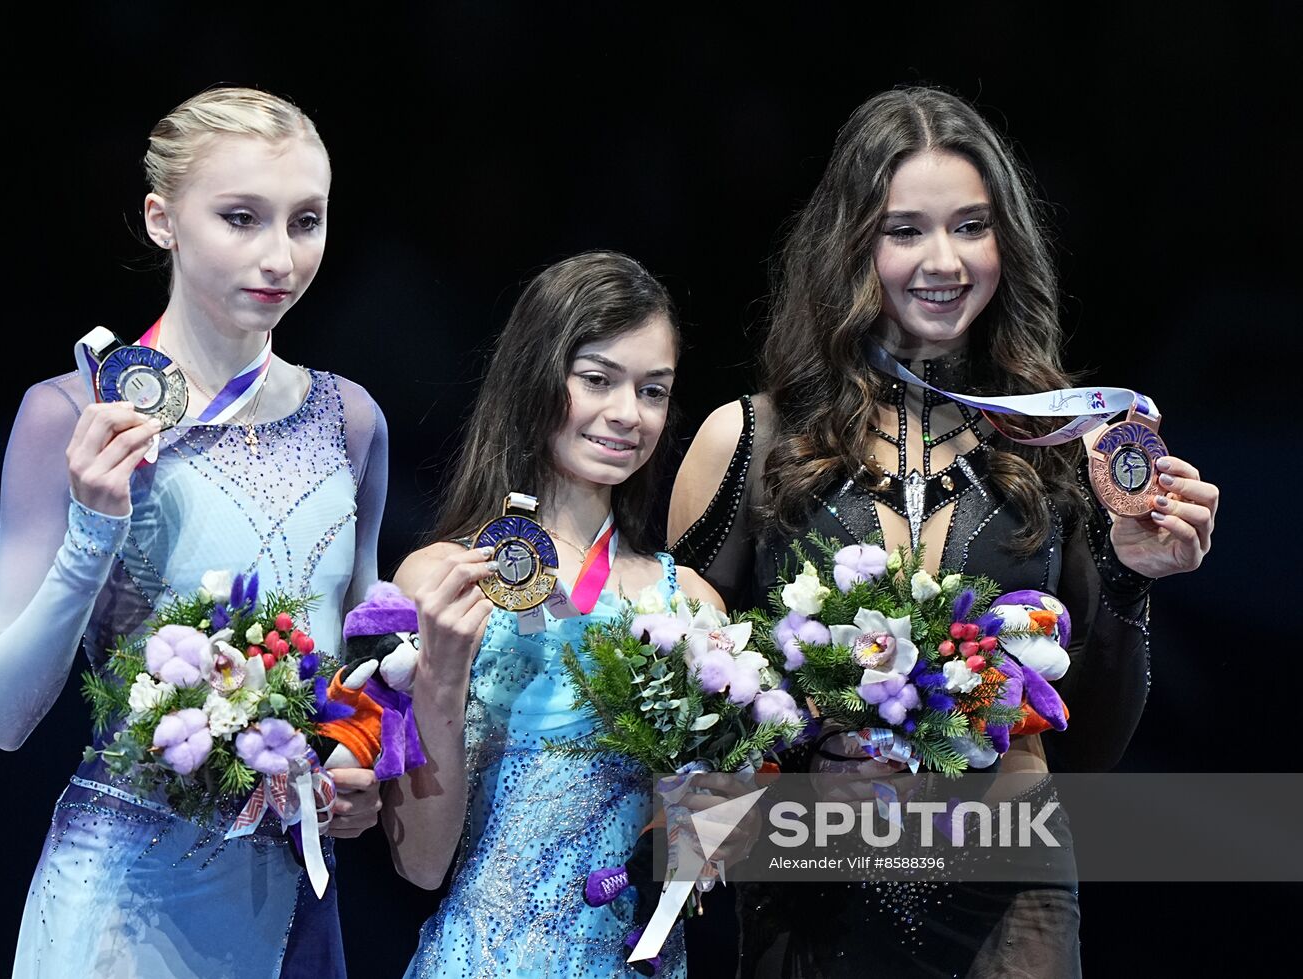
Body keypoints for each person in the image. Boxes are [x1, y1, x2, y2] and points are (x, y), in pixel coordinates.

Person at [668, 87, 1219, 977]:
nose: (944, 260)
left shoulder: (1058, 448)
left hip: (1012, 901)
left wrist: (1128, 580)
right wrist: (803, 771)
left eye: (971, 225)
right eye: (905, 230)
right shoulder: (750, 441)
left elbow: (1089, 749)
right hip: (814, 897)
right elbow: (679, 726)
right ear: (851, 244)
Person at [0, 87, 387, 979]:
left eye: (305, 221)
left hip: (292, 894)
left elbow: (361, 663)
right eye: (241, 218)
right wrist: (93, 530)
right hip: (122, 910)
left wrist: (363, 766)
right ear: (163, 220)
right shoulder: (69, 413)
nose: (280, 255)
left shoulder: (350, 420)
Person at [387, 251, 721, 978]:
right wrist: (440, 676)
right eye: (597, 379)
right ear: (536, 375)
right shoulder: (444, 578)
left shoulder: (692, 604)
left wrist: (719, 812)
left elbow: (707, 856)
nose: (628, 414)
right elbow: (419, 863)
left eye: (653, 390)